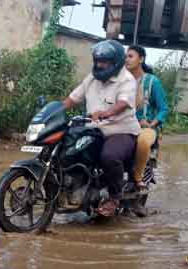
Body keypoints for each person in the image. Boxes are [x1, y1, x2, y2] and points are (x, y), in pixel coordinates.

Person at [62, 40, 140, 217]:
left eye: (104, 61)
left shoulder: (126, 80)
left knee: (109, 156)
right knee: (67, 149)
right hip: (93, 130)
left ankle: (114, 197)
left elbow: (122, 103)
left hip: (120, 130)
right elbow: (73, 99)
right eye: (97, 61)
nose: (99, 65)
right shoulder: (91, 78)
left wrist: (106, 112)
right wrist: (53, 111)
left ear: (116, 62)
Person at [126, 45, 169, 193]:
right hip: (123, 124)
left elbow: (163, 108)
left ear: (141, 59)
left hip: (145, 127)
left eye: (130, 56)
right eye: (125, 56)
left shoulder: (152, 82)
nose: (127, 59)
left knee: (144, 141)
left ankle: (137, 178)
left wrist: (151, 124)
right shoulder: (122, 80)